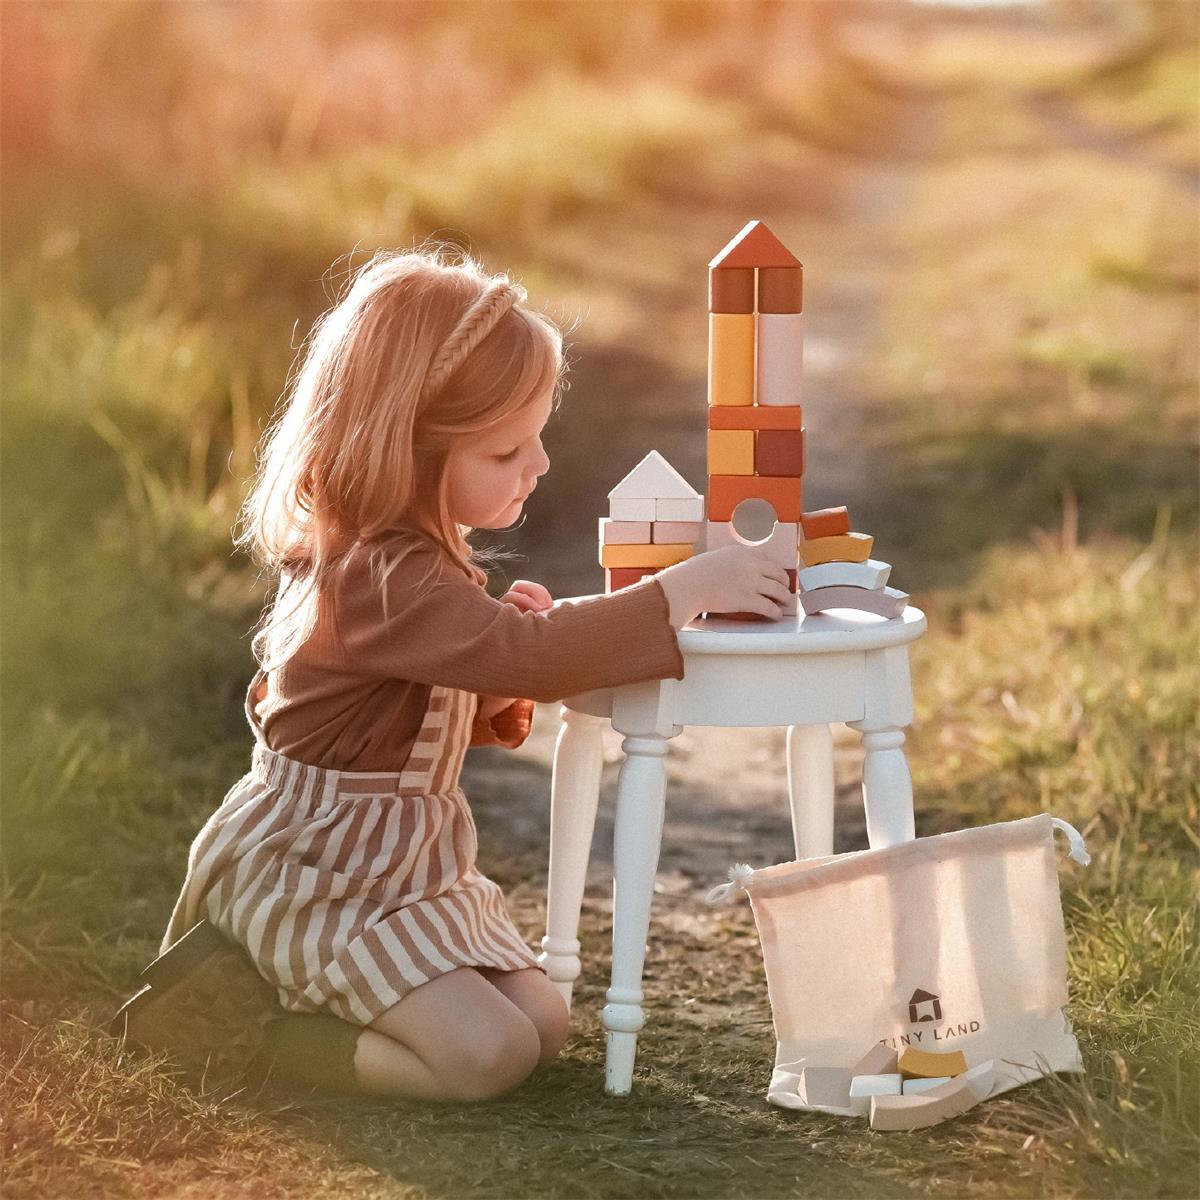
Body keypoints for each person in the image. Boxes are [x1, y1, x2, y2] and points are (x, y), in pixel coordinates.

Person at [109, 244, 790, 1102]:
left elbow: (437, 701)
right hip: (322, 868)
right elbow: (532, 659)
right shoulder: (379, 576)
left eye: (535, 439)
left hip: (403, 869)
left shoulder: (422, 564)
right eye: (506, 452)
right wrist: (680, 591)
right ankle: (250, 1033)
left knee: (542, 1022)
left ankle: (335, 1006)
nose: (538, 465)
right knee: (486, 1057)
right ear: (407, 453)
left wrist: (495, 662)